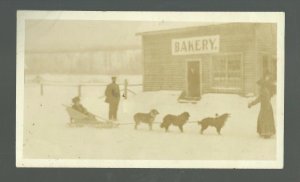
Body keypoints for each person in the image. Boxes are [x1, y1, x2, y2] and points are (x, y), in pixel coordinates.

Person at [248, 72, 276, 138]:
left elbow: (259, 99)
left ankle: (267, 133)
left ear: (262, 85)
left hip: (266, 107)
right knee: (263, 119)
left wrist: (251, 104)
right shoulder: (265, 90)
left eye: (259, 85)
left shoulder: (263, 91)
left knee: (265, 119)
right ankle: (265, 132)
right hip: (266, 107)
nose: (259, 86)